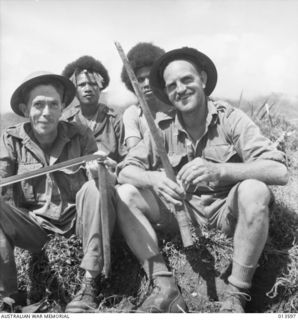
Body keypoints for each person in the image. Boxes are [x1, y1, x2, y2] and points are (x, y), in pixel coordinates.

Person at [116, 47, 288, 313]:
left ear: (203, 80)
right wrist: (153, 178)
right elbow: (124, 170)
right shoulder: (162, 127)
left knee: (255, 190)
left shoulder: (230, 118)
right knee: (125, 193)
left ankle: (236, 294)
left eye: (187, 80)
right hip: (181, 213)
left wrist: (222, 171)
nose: (180, 89)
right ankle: (165, 288)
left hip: (226, 214)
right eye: (172, 86)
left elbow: (279, 171)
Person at [0, 71, 118, 313]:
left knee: (93, 188)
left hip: (77, 224)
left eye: (54, 104)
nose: (46, 112)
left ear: (63, 107)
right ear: (25, 109)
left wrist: (100, 173)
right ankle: (9, 295)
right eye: (38, 104)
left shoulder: (80, 134)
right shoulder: (11, 139)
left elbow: (106, 181)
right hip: (34, 229)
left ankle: (89, 283)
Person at [62, 55, 126, 162]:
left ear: (100, 88)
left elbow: (125, 158)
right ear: (75, 90)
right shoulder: (66, 121)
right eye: (82, 85)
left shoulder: (114, 120)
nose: (88, 89)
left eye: (93, 84)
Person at [121, 42, 174, 150]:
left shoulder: (176, 105)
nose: (146, 84)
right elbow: (133, 150)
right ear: (131, 83)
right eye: (140, 80)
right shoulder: (132, 113)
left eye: (150, 78)